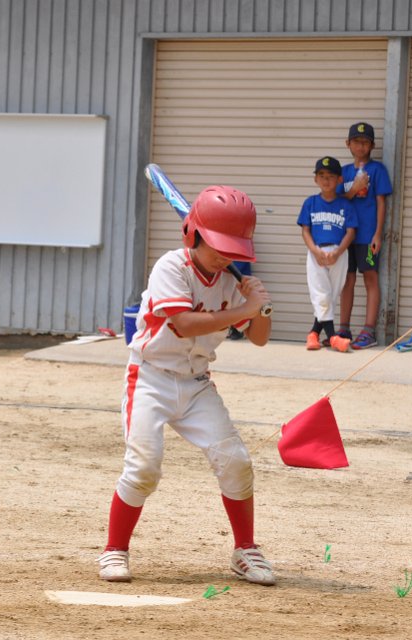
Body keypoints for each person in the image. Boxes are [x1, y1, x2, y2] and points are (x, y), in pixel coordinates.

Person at [98, 185, 275, 586]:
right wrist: (244, 308)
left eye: (232, 249)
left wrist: (259, 308)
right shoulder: (171, 267)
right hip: (150, 378)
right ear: (192, 234)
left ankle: (245, 549)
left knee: (236, 460)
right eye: (217, 246)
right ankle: (114, 549)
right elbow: (183, 324)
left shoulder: (231, 283)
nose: (225, 256)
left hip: (196, 384)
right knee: (144, 468)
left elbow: (260, 337)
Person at [336, 122, 392, 349]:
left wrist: (378, 234)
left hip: (367, 236)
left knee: (370, 277)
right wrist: (354, 188)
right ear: (348, 144)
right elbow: (337, 201)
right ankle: (343, 328)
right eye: (356, 142)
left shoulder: (377, 170)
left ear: (372, 145)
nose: (361, 146)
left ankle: (369, 331)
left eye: (365, 142)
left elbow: (381, 203)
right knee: (347, 280)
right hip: (346, 236)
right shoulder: (343, 172)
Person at [297, 156, 357, 352]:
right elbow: (305, 230)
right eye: (321, 175)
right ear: (315, 179)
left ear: (339, 179)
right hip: (317, 252)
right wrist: (315, 251)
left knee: (330, 295)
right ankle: (333, 338)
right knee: (321, 293)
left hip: (339, 253)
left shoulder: (345, 205)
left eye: (331, 176)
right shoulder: (311, 202)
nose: (326, 180)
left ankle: (313, 333)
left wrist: (338, 252)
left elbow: (351, 232)